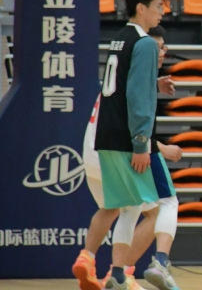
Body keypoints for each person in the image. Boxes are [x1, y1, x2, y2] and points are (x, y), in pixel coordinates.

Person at [76, 24, 182, 290]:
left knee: (118, 208)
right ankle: (135, 269)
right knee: (157, 210)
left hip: (93, 151)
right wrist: (158, 148)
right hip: (118, 149)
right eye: (158, 47)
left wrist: (155, 83)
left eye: (163, 48)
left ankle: (89, 258)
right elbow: (133, 119)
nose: (161, 52)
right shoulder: (139, 61)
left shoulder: (121, 74)